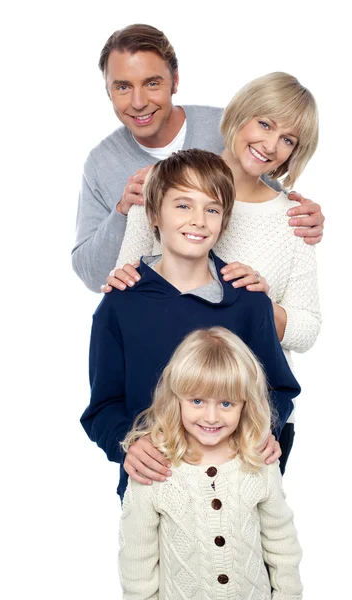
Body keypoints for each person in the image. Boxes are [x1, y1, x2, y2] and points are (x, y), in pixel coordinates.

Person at [110, 72, 321, 476]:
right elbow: (127, 280)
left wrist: (260, 305)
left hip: (253, 424)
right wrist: (120, 281)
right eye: (264, 123)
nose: (270, 145)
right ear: (240, 114)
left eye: (288, 140)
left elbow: (307, 328)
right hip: (164, 418)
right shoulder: (164, 182)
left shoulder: (294, 218)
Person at [80, 149, 300, 500]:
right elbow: (102, 407)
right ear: (154, 214)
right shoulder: (120, 303)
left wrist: (264, 431)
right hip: (154, 492)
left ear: (224, 221)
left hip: (237, 491)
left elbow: (278, 390)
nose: (198, 220)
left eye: (211, 209)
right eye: (183, 205)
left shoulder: (249, 301)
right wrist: (128, 447)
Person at [71, 23, 325, 293]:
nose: (138, 102)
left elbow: (260, 187)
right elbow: (93, 276)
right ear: (108, 91)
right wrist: (122, 211)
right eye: (122, 87)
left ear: (175, 81)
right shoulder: (101, 163)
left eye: (152, 83)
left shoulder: (227, 127)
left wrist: (300, 213)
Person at [119, 326, 303, 599]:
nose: (211, 416)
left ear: (245, 404)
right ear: (176, 398)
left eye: (226, 404)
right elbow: (137, 561)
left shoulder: (259, 461)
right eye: (197, 400)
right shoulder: (154, 468)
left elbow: (281, 543)